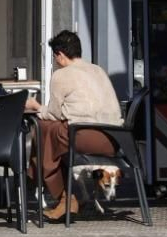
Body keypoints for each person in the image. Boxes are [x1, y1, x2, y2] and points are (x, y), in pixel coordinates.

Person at [25, 30, 122, 222]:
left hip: (87, 135)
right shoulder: (98, 70)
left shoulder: (62, 75)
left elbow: (53, 113)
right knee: (52, 135)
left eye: (55, 57)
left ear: (60, 55)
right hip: (116, 138)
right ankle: (54, 190)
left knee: (42, 129)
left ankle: (60, 195)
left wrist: (35, 106)